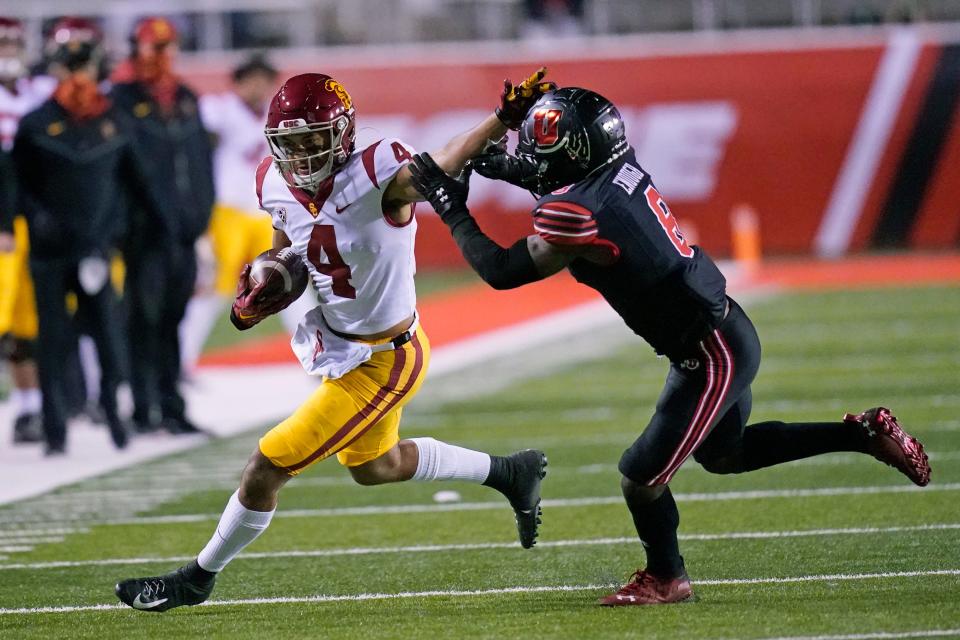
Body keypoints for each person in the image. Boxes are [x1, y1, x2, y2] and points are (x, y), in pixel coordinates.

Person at [407, 86, 933, 606]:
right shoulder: (618, 166)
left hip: (710, 354)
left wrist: (453, 210)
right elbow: (572, 185)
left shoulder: (575, 214)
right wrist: (507, 168)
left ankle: (667, 577)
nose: (531, 159)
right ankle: (863, 434)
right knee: (726, 455)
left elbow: (503, 270)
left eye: (542, 152)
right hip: (720, 333)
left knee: (641, 477)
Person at [114, 68, 556, 612]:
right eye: (289, 145)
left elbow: (444, 161)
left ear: (342, 134)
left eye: (312, 142)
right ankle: (512, 472)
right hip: (346, 347)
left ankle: (197, 578)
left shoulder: (379, 173)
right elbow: (287, 248)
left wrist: (502, 120)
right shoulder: (271, 181)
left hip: (385, 357)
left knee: (265, 466)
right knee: (376, 467)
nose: (299, 157)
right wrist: (264, 285)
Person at [12, 18, 162, 455]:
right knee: (53, 343)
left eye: (85, 67)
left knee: (110, 341)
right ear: (56, 71)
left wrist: (126, 233)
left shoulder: (115, 122)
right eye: (69, 67)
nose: (77, 76)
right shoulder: (35, 124)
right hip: (50, 252)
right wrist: (30, 221)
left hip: (97, 249)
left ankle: (115, 419)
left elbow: (135, 185)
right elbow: (17, 184)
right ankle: (56, 430)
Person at [110, 17, 215, 435]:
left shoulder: (186, 98)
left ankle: (170, 405)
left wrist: (201, 216)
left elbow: (201, 164)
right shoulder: (119, 98)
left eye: (169, 46)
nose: (164, 55)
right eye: (156, 47)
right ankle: (142, 407)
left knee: (172, 317)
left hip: (184, 231)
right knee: (142, 318)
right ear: (138, 49)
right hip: (143, 232)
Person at [180, 54, 307, 374]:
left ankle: (316, 355)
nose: (258, 87)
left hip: (266, 212)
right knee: (214, 289)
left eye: (264, 80)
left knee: (288, 282)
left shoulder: (276, 114)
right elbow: (196, 141)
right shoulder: (220, 110)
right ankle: (182, 362)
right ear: (237, 82)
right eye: (251, 79)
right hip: (228, 212)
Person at [0, 16, 54, 444]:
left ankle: (28, 408)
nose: (8, 48)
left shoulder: (39, 94)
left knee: (25, 325)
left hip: (30, 218)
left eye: (14, 41)